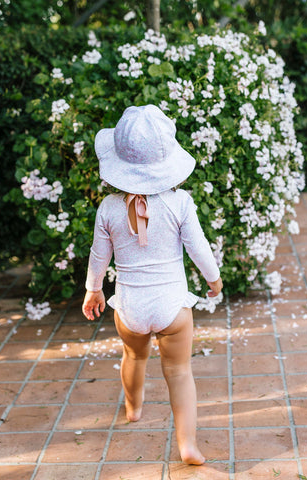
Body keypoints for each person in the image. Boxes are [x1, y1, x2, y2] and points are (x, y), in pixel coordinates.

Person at [82, 104, 223, 465]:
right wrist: (214, 279)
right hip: (172, 305)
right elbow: (198, 247)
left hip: (129, 307)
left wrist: (93, 289)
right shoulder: (180, 203)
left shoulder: (109, 208)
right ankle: (188, 444)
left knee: (133, 356)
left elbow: (99, 255)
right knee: (179, 372)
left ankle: (133, 407)